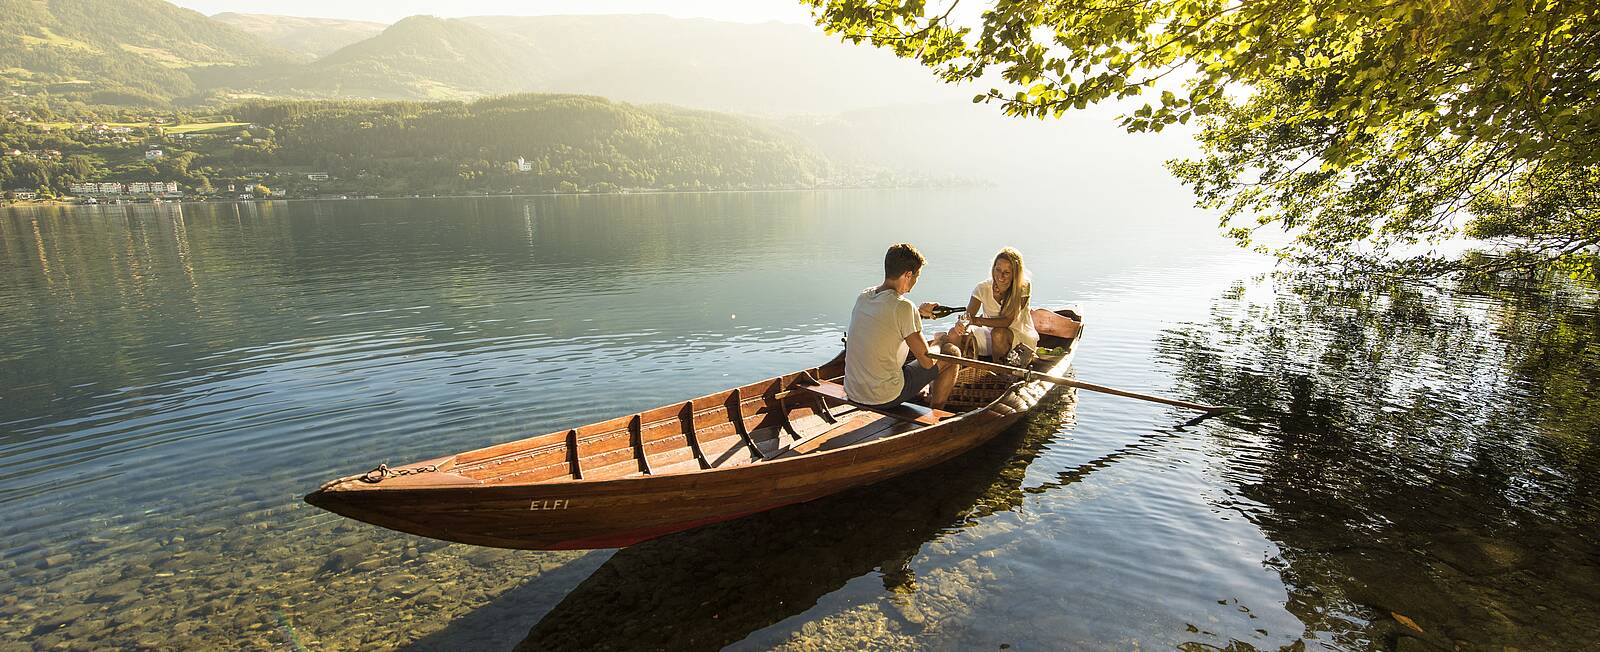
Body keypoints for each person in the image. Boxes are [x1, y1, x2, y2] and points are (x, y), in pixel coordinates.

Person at [844, 243, 964, 411]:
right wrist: (939, 341)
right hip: (883, 397)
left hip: (852, 391)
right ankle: (936, 414)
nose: (915, 282)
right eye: (916, 277)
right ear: (908, 275)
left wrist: (920, 313)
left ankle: (920, 392)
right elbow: (928, 362)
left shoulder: (864, 296)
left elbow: (888, 316)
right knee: (951, 352)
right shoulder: (903, 307)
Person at [958, 247, 1038, 365]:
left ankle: (999, 373)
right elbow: (968, 316)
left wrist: (976, 320)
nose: (1001, 276)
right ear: (993, 269)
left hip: (1019, 338)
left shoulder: (1023, 286)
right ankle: (961, 369)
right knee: (957, 335)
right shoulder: (982, 288)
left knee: (998, 333)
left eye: (1007, 272)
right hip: (989, 335)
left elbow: (1007, 322)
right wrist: (961, 324)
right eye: (998, 270)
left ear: (1015, 274)